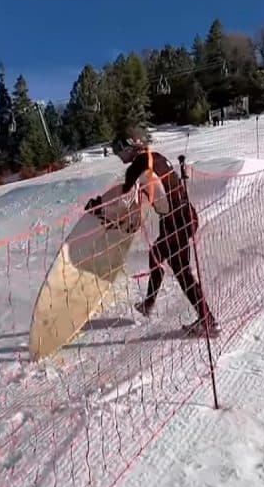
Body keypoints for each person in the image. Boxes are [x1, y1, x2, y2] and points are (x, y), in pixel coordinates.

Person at [87, 127, 217, 334]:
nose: (118, 155)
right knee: (157, 253)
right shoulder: (155, 157)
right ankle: (149, 304)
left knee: (183, 273)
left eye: (118, 150)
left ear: (129, 147)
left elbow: (124, 195)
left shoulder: (137, 165)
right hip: (182, 216)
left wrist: (99, 206)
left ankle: (206, 321)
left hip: (175, 221)